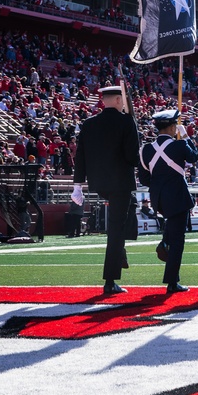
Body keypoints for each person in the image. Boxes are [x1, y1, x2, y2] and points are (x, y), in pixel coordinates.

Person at [73, 85, 140, 294]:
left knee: (124, 219)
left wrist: (78, 184)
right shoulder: (125, 121)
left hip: (98, 183)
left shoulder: (89, 124)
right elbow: (132, 158)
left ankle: (120, 252)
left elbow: (80, 156)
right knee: (116, 229)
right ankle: (110, 280)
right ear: (120, 100)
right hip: (120, 183)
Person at [139, 108, 198, 293]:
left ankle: (164, 243)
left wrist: (159, 185)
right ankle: (172, 281)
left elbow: (144, 178)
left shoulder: (146, 149)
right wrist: (187, 138)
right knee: (178, 240)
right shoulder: (180, 145)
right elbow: (194, 157)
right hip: (178, 197)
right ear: (173, 127)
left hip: (159, 198)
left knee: (172, 231)